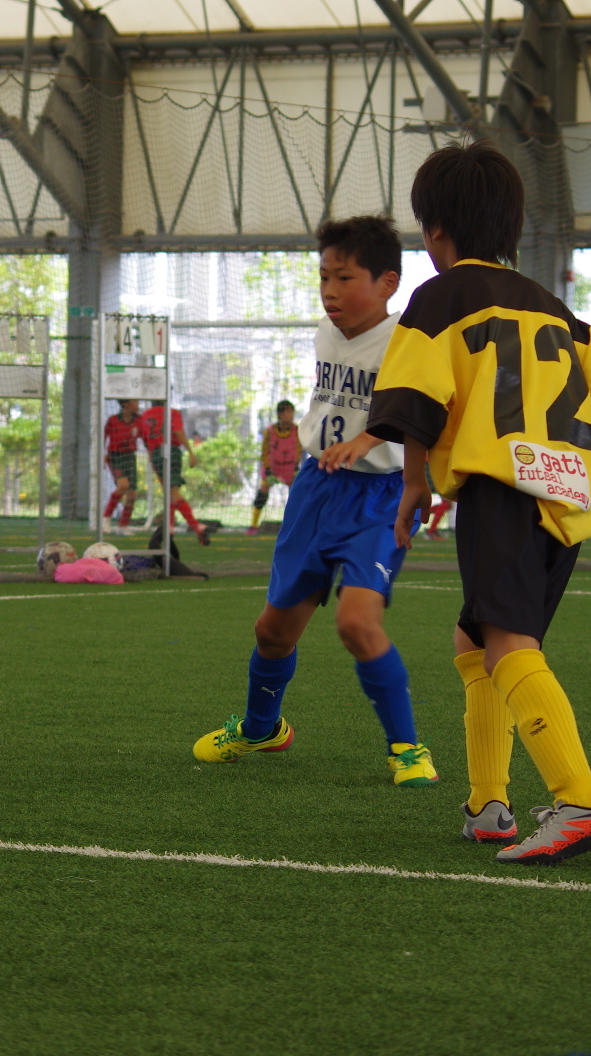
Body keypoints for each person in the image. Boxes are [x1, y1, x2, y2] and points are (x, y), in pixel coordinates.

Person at [367, 141, 591, 865]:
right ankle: (488, 804)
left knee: (507, 642)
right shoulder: (548, 305)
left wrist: (412, 485)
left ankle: (582, 800)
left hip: (503, 484)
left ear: (435, 230)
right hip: (567, 491)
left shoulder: (438, 298)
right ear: (511, 227)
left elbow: (414, 398)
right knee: (476, 640)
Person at [193, 216, 438, 788]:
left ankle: (407, 748)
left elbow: (426, 412)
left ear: (388, 282)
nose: (330, 291)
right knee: (272, 632)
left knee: (356, 623)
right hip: (316, 488)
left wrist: (368, 441)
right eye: (324, 277)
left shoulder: (409, 342)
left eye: (345, 278)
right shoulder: (327, 331)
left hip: (379, 497)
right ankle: (262, 728)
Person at [139, 399, 208, 546]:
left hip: (156, 453)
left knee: (170, 492)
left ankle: (172, 527)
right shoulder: (172, 412)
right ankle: (194, 526)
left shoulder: (145, 415)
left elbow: (146, 438)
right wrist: (190, 452)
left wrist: (151, 456)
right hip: (171, 452)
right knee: (173, 492)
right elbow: (178, 431)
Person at [247, 400, 301, 535]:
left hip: (289, 469)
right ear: (280, 414)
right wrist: (267, 468)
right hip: (273, 469)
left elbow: (298, 449)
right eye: (288, 412)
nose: (291, 415)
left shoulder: (297, 430)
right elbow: (265, 450)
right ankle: (253, 525)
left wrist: (296, 465)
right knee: (262, 494)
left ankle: (293, 525)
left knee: (296, 495)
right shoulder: (270, 431)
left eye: (292, 411)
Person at [101, 399, 143, 533]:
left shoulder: (140, 420)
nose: (138, 405)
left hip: (130, 456)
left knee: (132, 495)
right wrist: (102, 454)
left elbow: (146, 437)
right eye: (135, 402)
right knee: (123, 486)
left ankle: (123, 526)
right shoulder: (113, 420)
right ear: (126, 404)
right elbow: (102, 437)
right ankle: (106, 518)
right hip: (115, 456)